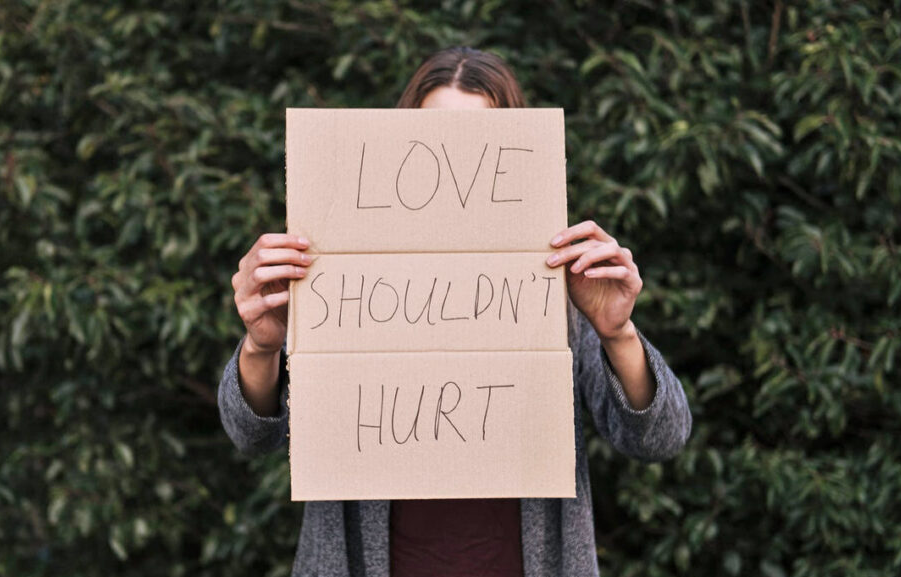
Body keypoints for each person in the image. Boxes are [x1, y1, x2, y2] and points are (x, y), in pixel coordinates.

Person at [218, 46, 692, 577]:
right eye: (433, 142)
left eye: (476, 144)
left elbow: (661, 437)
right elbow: (250, 434)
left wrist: (617, 332)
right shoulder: (337, 277)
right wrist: (262, 345)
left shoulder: (555, 286)